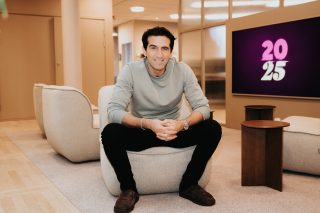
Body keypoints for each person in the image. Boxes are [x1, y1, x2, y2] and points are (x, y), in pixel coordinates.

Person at [101, 26, 222, 213]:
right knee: (110, 132)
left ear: (171, 51)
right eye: (153, 47)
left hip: (174, 131)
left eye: (165, 48)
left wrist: (182, 124)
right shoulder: (131, 71)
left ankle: (189, 184)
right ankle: (129, 189)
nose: (159, 54)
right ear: (144, 50)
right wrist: (148, 123)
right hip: (143, 130)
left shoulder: (182, 70)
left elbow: (203, 107)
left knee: (213, 128)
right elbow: (114, 111)